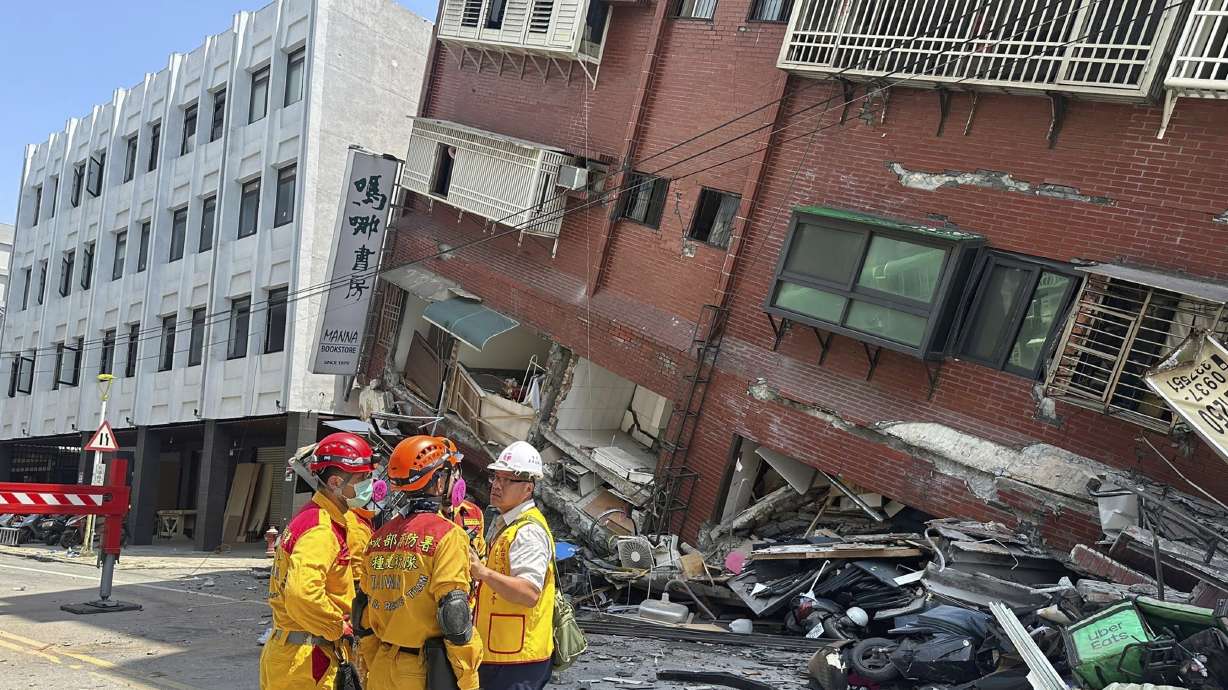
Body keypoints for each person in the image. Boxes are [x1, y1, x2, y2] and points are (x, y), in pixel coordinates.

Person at [361, 435, 482, 690]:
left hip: (382, 666)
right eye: (450, 473)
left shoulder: (378, 538)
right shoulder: (448, 535)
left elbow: (363, 607)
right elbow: (454, 613)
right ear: (438, 481)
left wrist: (373, 659)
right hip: (421, 672)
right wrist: (467, 676)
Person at [260, 432, 375, 690]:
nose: (368, 484)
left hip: (294, 653)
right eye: (361, 478)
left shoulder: (314, 516)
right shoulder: (321, 530)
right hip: (306, 662)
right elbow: (302, 594)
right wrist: (338, 627)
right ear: (335, 481)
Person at [471, 441, 556, 690]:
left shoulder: (528, 531)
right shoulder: (507, 523)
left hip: (517, 660)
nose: (497, 485)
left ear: (528, 488)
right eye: (496, 477)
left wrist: (483, 572)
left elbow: (529, 593)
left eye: (508, 480)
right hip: (501, 653)